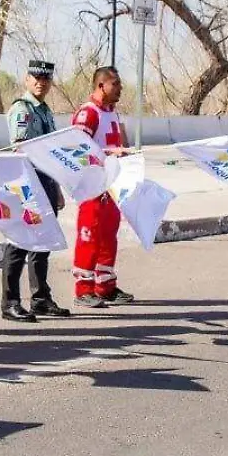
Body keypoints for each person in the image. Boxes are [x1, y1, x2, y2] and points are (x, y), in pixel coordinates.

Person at [2, 62, 69, 323]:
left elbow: (51, 153)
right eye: (36, 78)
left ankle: (40, 298)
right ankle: (10, 302)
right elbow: (21, 147)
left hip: (45, 180)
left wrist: (56, 187)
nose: (41, 83)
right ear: (27, 79)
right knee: (20, 242)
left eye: (45, 79)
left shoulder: (44, 110)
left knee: (43, 241)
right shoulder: (23, 109)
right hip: (27, 183)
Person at [71, 66, 134, 308]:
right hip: (92, 187)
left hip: (112, 187)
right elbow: (77, 150)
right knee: (89, 236)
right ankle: (83, 289)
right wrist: (108, 154)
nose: (120, 89)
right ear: (101, 86)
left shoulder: (112, 113)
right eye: (115, 84)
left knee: (109, 236)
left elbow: (119, 143)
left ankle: (105, 286)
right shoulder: (88, 113)